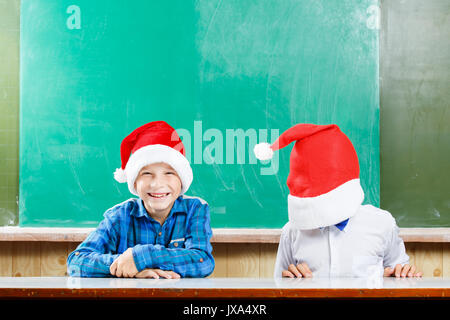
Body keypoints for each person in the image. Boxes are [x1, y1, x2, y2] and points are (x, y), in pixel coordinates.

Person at [254, 123, 422, 278]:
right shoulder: (292, 232)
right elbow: (278, 286)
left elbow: (399, 276)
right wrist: (287, 282)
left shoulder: (382, 223)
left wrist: (402, 276)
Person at [67, 121, 214, 278]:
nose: (157, 184)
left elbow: (202, 261)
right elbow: (76, 262)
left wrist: (141, 257)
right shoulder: (119, 216)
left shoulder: (195, 209)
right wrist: (127, 265)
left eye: (169, 173)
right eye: (146, 173)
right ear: (134, 182)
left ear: (182, 180)